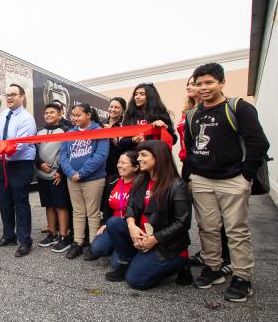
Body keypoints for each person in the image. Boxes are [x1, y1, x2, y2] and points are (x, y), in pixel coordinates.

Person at [186, 63, 269, 302]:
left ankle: (242, 276)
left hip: (233, 179)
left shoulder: (239, 108)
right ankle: (212, 268)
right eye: (199, 83)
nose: (203, 88)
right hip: (202, 180)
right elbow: (190, 147)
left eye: (209, 82)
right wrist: (193, 174)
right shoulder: (193, 114)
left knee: (237, 231)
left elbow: (258, 143)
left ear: (222, 82)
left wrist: (246, 175)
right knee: (207, 227)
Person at [104, 140, 192, 290]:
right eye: (138, 155)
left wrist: (154, 239)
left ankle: (180, 264)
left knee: (135, 280)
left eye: (143, 155)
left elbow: (182, 223)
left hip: (166, 245)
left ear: (158, 157)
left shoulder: (177, 186)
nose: (138, 158)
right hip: (143, 235)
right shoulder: (141, 179)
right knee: (113, 223)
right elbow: (130, 205)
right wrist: (131, 226)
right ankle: (127, 261)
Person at [176, 76, 231, 274]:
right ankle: (209, 254)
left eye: (195, 83)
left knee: (220, 217)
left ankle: (226, 256)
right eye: (190, 84)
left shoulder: (215, 111)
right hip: (189, 165)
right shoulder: (189, 112)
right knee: (204, 217)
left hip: (211, 167)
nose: (191, 86)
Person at [0, 84, 37, 257]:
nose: (9, 97)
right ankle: (8, 235)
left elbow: (19, 146)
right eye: (7, 94)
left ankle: (25, 241)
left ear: (22, 97)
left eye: (13, 94)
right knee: (4, 200)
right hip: (3, 164)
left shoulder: (27, 119)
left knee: (20, 202)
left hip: (19, 163)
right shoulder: (3, 114)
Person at [60, 103, 109, 259]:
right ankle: (78, 243)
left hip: (93, 179)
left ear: (88, 115)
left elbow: (100, 156)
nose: (74, 118)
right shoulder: (69, 133)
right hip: (72, 178)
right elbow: (63, 156)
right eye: (73, 115)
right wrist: (70, 172)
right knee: (78, 211)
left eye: (78, 115)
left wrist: (81, 173)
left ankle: (94, 245)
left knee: (93, 212)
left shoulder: (99, 132)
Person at [83, 151, 139, 264]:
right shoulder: (113, 181)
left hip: (130, 226)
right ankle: (115, 246)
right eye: (119, 162)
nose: (119, 165)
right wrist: (104, 223)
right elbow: (107, 207)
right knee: (98, 248)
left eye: (124, 163)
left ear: (135, 167)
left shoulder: (141, 184)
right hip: (112, 225)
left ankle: (132, 250)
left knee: (116, 265)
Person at [35, 102, 72, 253]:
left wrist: (61, 172)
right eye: (46, 113)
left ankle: (63, 236)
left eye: (52, 112)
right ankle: (51, 234)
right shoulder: (39, 132)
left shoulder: (66, 131)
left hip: (58, 175)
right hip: (42, 174)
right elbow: (33, 152)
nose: (48, 115)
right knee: (48, 205)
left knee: (61, 205)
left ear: (60, 114)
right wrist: (39, 164)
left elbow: (69, 153)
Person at [118, 83, 177, 152]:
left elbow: (173, 140)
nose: (137, 97)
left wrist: (165, 127)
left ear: (150, 96)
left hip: (155, 157)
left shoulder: (161, 114)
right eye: (136, 94)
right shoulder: (129, 115)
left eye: (142, 94)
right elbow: (122, 141)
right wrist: (133, 140)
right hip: (134, 158)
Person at [103, 97, 126, 178]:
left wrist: (110, 133)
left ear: (123, 111)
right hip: (101, 166)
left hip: (116, 165)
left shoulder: (125, 126)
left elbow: (122, 147)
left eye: (116, 107)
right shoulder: (102, 124)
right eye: (111, 106)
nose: (112, 109)